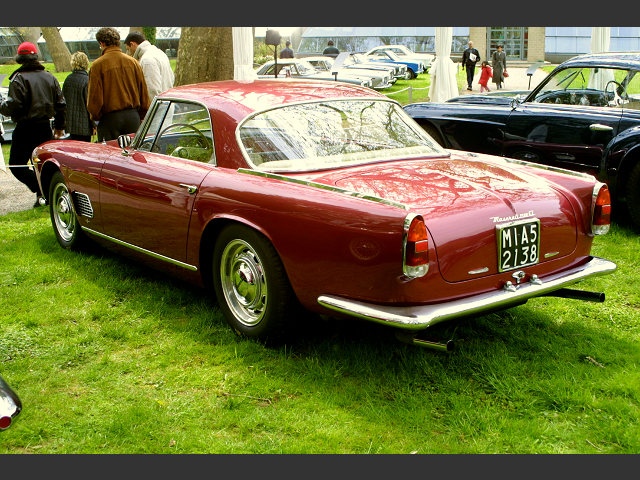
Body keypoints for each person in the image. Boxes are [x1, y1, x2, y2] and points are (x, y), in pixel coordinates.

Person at [0, 42, 65, 206]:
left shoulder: (18, 78)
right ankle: (44, 193)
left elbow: (14, 105)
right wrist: (59, 127)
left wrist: (2, 107)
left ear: (20, 58)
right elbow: (61, 104)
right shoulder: (50, 77)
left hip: (25, 127)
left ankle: (41, 189)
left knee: (16, 164)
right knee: (43, 164)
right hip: (44, 127)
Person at [87, 27, 150, 142]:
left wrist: (95, 117)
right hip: (132, 117)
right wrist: (142, 115)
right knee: (134, 155)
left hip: (110, 119)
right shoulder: (133, 62)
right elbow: (144, 94)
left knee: (110, 156)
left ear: (101, 43)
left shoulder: (97, 65)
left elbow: (94, 99)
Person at [124, 31, 174, 103]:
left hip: (158, 109)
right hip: (167, 103)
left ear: (132, 44)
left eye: (128, 49)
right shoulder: (159, 52)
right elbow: (171, 78)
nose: (128, 53)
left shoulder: (147, 60)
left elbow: (152, 90)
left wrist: (149, 111)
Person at [63, 51, 95, 142]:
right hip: (84, 126)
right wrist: (94, 124)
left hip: (70, 125)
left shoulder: (68, 79)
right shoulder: (87, 80)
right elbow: (90, 105)